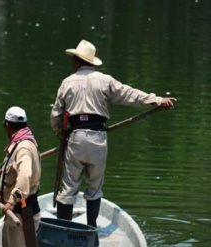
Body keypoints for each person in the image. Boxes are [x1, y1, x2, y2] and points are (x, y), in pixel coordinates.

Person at [50, 40, 176, 231]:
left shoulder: (67, 82)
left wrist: (61, 134)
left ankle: (62, 231)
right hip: (98, 138)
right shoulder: (105, 80)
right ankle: (91, 230)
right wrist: (157, 100)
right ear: (91, 61)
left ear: (77, 60)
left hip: (75, 137)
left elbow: (56, 115)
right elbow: (130, 94)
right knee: (94, 188)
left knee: (67, 190)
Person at [0, 106, 41, 247]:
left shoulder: (23, 148)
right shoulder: (21, 144)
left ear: (8, 126)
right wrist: (2, 195)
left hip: (22, 215)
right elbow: (14, 177)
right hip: (17, 212)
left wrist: (10, 201)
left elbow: (24, 176)